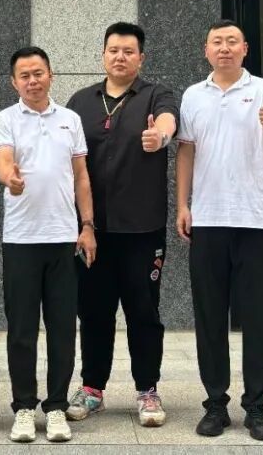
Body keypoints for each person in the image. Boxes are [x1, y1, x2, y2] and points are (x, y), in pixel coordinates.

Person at [176, 20, 263, 442]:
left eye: (232, 42)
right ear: (206, 50)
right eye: (217, 42)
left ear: (245, 49)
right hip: (207, 219)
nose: (224, 48)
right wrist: (183, 205)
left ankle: (256, 407)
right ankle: (215, 404)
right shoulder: (193, 95)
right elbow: (186, 151)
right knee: (209, 316)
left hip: (254, 220)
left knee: (257, 317)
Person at [65, 22, 179, 427]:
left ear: (141, 58)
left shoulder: (156, 94)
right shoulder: (80, 102)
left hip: (142, 229)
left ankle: (147, 389)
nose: (120, 57)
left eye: (129, 51)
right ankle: (92, 388)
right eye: (113, 50)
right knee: (93, 311)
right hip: (92, 230)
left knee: (143, 311)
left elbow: (167, 122)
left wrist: (159, 136)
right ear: (103, 55)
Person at [0, 46, 98, 444]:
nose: (32, 81)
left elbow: (81, 176)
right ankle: (23, 406)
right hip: (21, 239)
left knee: (62, 328)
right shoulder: (4, 119)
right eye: (25, 75)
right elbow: (3, 160)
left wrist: (87, 225)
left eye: (38, 73)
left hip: (63, 238)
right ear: (13, 82)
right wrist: (10, 178)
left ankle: (55, 407)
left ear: (51, 75)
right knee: (21, 329)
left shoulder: (70, 120)